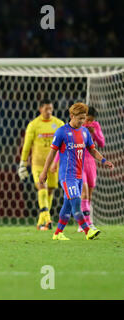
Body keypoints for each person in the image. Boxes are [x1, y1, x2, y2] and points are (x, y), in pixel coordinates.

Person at [39, 103, 114, 240]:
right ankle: (87, 230)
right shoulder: (62, 132)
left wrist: (104, 161)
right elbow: (52, 153)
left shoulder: (85, 132)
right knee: (76, 202)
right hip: (67, 176)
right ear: (72, 116)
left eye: (84, 118)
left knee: (67, 206)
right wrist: (44, 172)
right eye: (80, 118)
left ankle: (57, 233)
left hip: (79, 175)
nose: (82, 121)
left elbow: (92, 149)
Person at [18, 100, 64, 230]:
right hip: (38, 163)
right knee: (41, 186)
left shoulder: (59, 124)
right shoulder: (34, 125)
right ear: (40, 109)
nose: (48, 111)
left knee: (50, 190)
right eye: (46, 109)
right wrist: (23, 162)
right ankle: (48, 219)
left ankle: (41, 222)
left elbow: (64, 144)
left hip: (53, 164)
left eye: (50, 109)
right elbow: (27, 145)